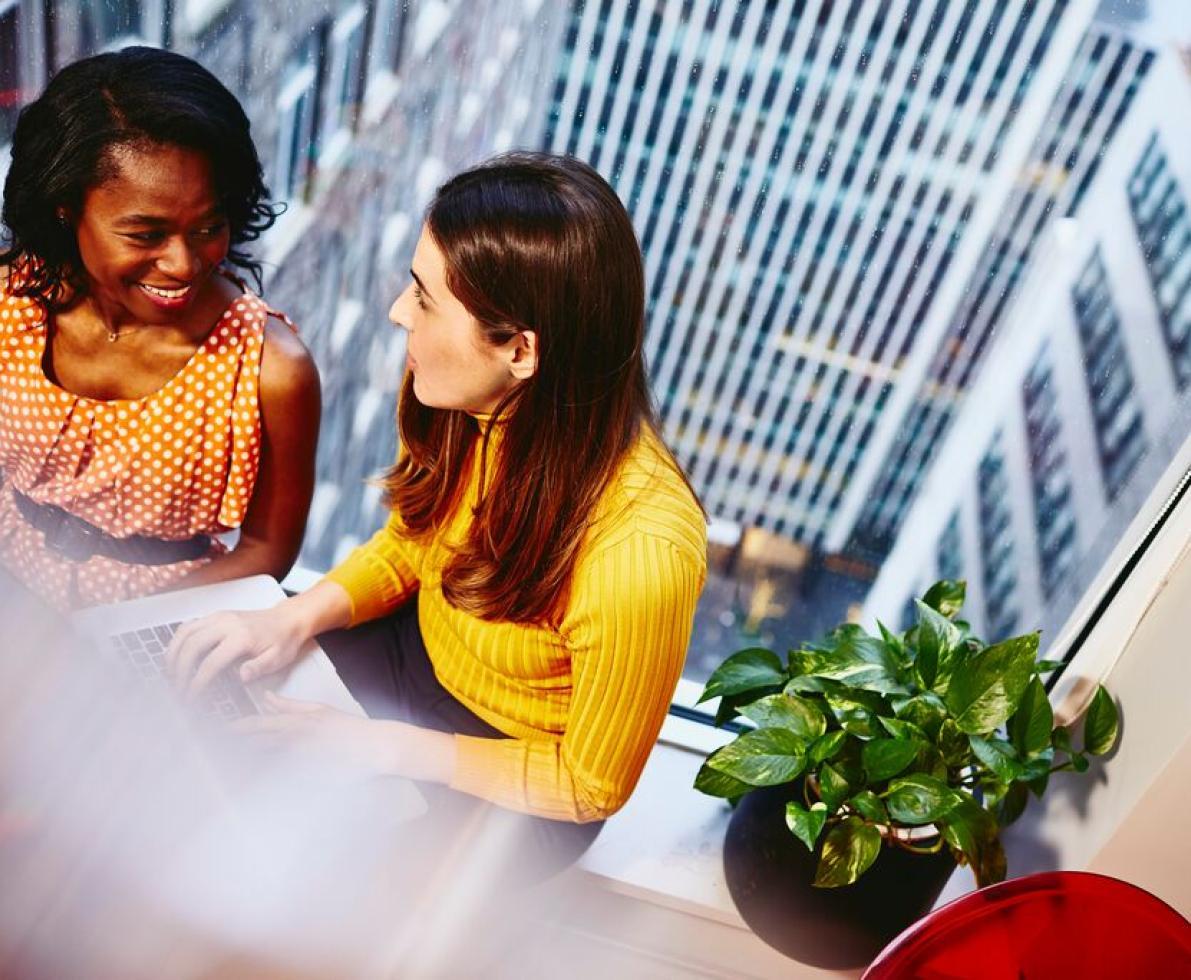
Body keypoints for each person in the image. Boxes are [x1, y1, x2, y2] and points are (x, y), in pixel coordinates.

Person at [168, 153, 707, 880]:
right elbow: (412, 544)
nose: (398, 312)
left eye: (423, 298)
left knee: (296, 874)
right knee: (201, 731)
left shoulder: (642, 553)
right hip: (419, 659)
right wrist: (289, 620)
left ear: (520, 349)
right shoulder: (470, 398)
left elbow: (589, 784)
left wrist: (379, 746)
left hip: (521, 777)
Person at [0, 47, 320, 610]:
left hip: (161, 617)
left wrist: (121, 632)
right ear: (65, 210)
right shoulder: (9, 302)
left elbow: (268, 551)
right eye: (146, 234)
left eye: (208, 226)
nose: (183, 264)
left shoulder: (273, 369)